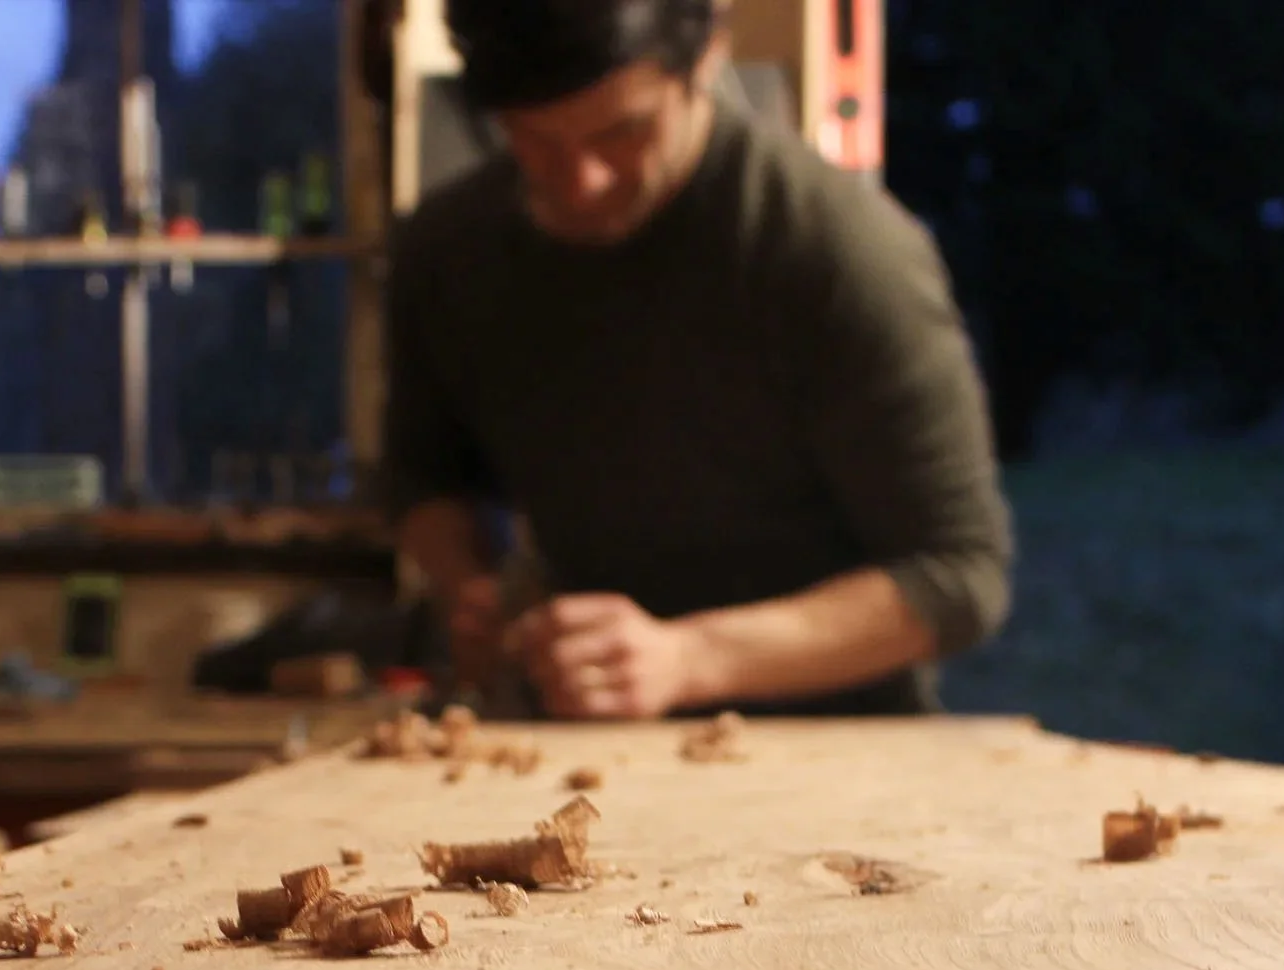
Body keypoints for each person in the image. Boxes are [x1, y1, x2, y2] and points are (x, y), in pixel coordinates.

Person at [383, 0, 1016, 719]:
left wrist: (689, 658)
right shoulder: (447, 252)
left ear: (709, 55)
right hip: (581, 738)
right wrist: (470, 587)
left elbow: (958, 577)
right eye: (534, 139)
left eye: (623, 131)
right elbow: (421, 476)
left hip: (835, 747)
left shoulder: (832, 249)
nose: (581, 180)